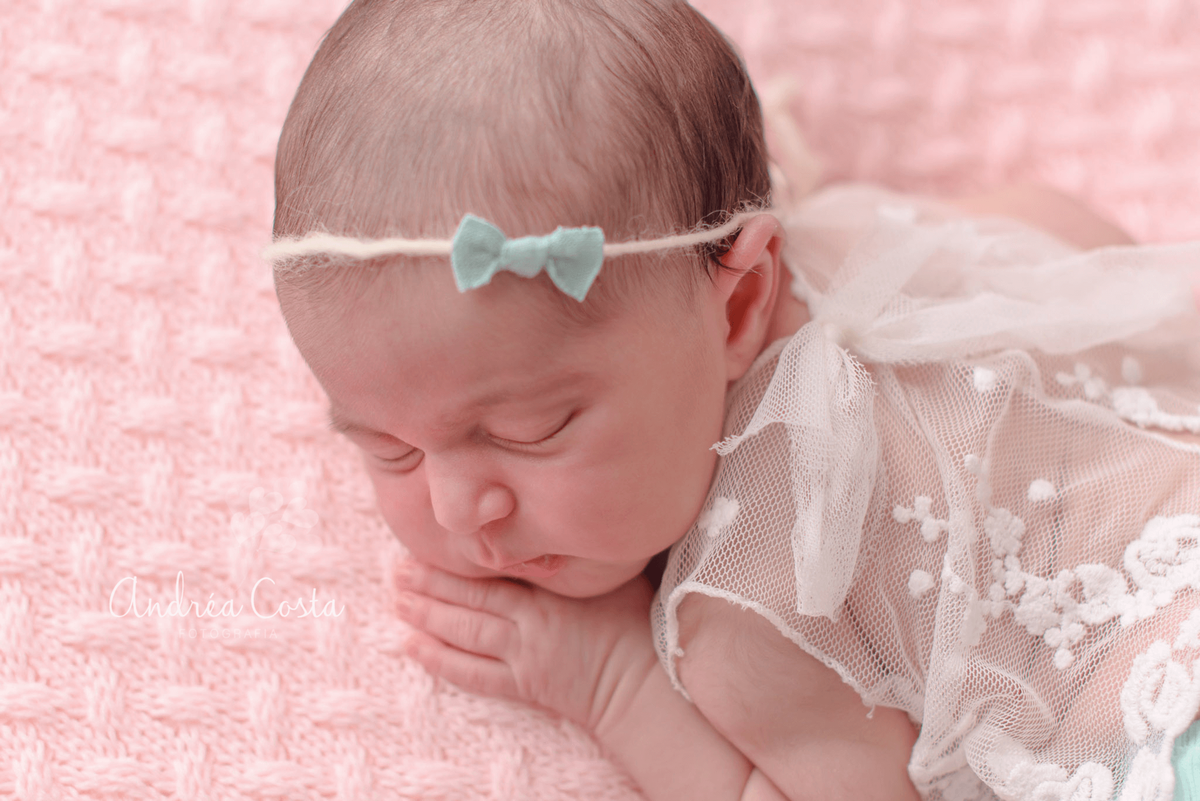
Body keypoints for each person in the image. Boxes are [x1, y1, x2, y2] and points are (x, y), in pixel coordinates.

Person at [263, 0, 1200, 798]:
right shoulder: (854, 235)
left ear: (743, 300)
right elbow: (1061, 225)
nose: (458, 507)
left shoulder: (744, 611)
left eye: (528, 429)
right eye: (388, 447)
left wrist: (614, 685)